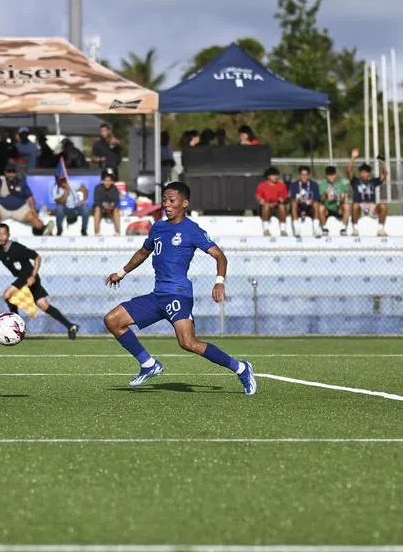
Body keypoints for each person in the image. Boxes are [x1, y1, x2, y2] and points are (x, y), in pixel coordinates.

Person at [104, 181, 256, 394]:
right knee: (113, 320)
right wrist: (121, 273)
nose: (167, 204)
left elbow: (220, 256)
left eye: (171, 200)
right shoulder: (158, 227)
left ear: (185, 203)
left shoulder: (191, 230)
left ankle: (241, 368)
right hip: (157, 296)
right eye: (164, 200)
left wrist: (219, 282)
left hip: (178, 294)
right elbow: (143, 252)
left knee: (188, 342)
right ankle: (148, 364)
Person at [0, 223, 79, 339]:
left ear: (8, 235)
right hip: (23, 278)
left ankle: (17, 327)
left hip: (29, 276)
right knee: (43, 304)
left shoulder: (17, 248)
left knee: (7, 294)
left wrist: (33, 276)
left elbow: (37, 257)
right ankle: (71, 326)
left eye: (4, 234)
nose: (1, 236)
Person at [0, 164, 52, 236]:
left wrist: (33, 209)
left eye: (13, 172)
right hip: (3, 208)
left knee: (32, 216)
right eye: (9, 172)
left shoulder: (21, 183)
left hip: (20, 209)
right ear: (5, 172)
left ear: (16, 173)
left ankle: (43, 229)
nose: (11, 174)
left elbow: (30, 197)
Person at [347, 148, 389, 236]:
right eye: (361, 172)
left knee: (383, 206)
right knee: (355, 205)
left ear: (369, 173)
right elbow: (349, 170)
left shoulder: (373, 181)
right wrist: (353, 158)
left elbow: (384, 175)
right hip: (359, 207)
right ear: (359, 173)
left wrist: (382, 163)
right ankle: (355, 229)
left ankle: (381, 229)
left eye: (365, 172)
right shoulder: (355, 181)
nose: (363, 174)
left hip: (372, 207)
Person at [288, 165, 322, 238]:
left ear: (309, 176)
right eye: (302, 175)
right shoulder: (294, 185)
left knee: (316, 204)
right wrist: (298, 199)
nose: (304, 177)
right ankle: (297, 230)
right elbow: (292, 198)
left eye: (306, 175)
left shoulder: (314, 184)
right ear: (299, 175)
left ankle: (316, 229)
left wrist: (311, 201)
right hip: (299, 207)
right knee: (293, 203)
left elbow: (317, 198)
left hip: (310, 207)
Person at [318, 165, 352, 236]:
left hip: (338, 208)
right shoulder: (323, 184)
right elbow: (321, 200)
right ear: (326, 176)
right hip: (327, 209)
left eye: (332, 175)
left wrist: (337, 198)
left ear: (336, 175)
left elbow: (343, 198)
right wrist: (325, 194)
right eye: (329, 175)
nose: (331, 177)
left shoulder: (340, 184)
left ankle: (343, 229)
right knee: (321, 207)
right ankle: (325, 229)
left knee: (347, 206)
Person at [255, 166, 289, 237]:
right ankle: (266, 230)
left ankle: (283, 230)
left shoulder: (282, 185)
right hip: (267, 208)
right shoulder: (262, 185)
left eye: (276, 175)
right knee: (266, 205)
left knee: (282, 206)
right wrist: (260, 200)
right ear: (268, 176)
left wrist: (283, 200)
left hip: (278, 208)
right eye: (273, 175)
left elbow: (286, 197)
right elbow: (258, 196)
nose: (275, 177)